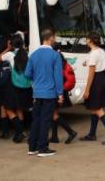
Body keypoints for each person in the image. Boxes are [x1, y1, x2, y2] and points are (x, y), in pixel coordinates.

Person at [24, 29, 63, 157]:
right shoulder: (55, 55)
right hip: (49, 93)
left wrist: (37, 80)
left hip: (37, 93)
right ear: (50, 38)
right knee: (45, 120)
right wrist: (60, 93)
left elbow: (27, 74)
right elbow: (58, 76)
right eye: (54, 37)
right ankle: (43, 148)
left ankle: (32, 147)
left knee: (36, 120)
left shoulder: (33, 55)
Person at [79, 32, 105, 145]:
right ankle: (92, 134)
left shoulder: (93, 54)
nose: (86, 40)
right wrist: (87, 62)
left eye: (87, 39)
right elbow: (97, 61)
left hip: (96, 80)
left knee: (97, 109)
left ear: (90, 40)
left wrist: (87, 90)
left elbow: (91, 73)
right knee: (94, 108)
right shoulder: (100, 51)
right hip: (102, 79)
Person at [0, 34, 33, 143]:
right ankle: (19, 133)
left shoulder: (10, 55)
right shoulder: (27, 54)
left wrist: (7, 48)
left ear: (11, 44)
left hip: (15, 86)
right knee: (19, 108)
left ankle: (20, 130)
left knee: (8, 108)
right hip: (26, 86)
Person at [49, 47, 78, 144]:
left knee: (54, 114)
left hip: (57, 91)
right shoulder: (63, 62)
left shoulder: (56, 63)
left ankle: (71, 132)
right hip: (62, 90)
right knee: (54, 113)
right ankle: (54, 137)